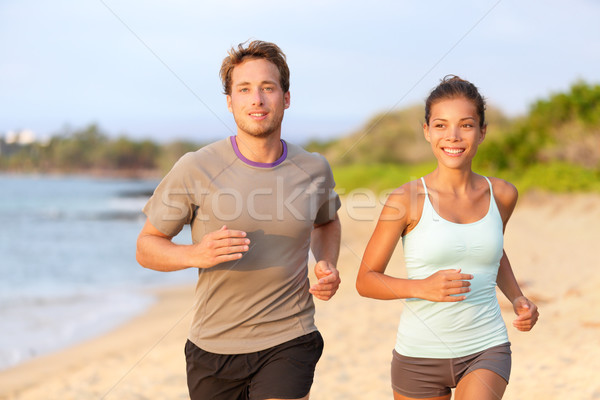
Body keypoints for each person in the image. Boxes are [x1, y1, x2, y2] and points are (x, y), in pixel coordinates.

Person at [136, 40, 342, 400]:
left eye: (267, 88)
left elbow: (326, 223)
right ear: (230, 102)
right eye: (244, 89)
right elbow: (146, 246)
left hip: (289, 337)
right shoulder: (194, 167)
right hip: (212, 347)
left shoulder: (313, 168)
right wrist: (193, 255)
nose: (257, 100)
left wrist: (325, 263)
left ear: (286, 97)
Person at [355, 75, 539, 400]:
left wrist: (517, 297)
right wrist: (421, 288)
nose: (452, 136)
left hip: (486, 347)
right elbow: (366, 280)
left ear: (482, 131)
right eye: (441, 125)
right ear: (427, 131)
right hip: (418, 356)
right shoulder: (405, 200)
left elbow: (491, 253)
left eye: (466, 125)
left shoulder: (503, 194)